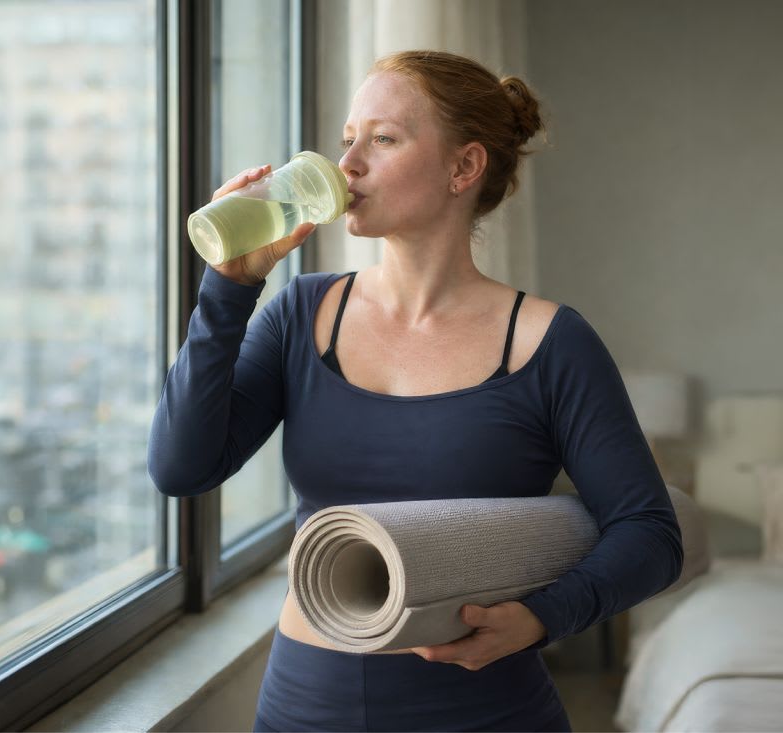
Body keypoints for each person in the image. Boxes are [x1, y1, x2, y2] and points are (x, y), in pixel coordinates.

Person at [147, 49, 684, 733]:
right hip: (306, 707)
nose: (348, 165)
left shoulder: (552, 342)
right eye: (348, 140)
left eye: (384, 138)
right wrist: (229, 288)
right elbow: (181, 467)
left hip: (487, 713)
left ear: (464, 167)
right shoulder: (301, 315)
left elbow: (649, 533)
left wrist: (540, 617)